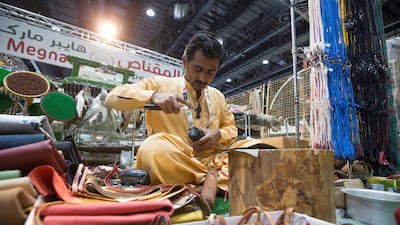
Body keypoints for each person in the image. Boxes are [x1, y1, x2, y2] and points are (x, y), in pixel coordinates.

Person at [105, 31, 238, 204]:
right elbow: (112, 98)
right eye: (198, 69)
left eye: (210, 72)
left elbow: (232, 129)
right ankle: (213, 181)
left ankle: (193, 184)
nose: (203, 78)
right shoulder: (160, 85)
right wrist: (153, 96)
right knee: (152, 149)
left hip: (212, 160)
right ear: (185, 61)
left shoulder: (218, 96)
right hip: (175, 159)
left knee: (253, 150)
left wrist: (218, 134)